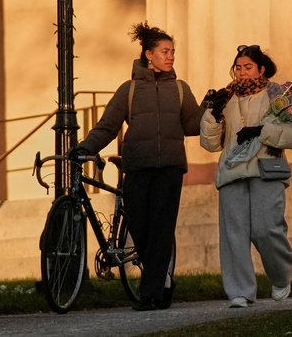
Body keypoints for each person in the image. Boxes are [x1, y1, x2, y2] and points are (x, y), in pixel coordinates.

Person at [70, 22, 203, 311]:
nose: (170, 57)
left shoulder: (180, 89)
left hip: (170, 167)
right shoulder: (128, 90)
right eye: (165, 51)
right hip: (138, 166)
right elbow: (107, 126)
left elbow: (192, 126)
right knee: (140, 228)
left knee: (161, 229)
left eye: (173, 52)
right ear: (148, 53)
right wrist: (86, 147)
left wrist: (208, 108)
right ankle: (162, 277)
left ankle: (151, 294)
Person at [199, 44, 292, 308]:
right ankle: (240, 291)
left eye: (248, 67)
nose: (242, 73)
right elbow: (211, 144)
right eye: (238, 68)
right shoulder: (226, 97)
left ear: (261, 69)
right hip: (232, 173)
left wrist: (262, 130)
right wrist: (212, 116)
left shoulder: (276, 95)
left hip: (266, 170)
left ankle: (281, 277)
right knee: (233, 234)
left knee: (267, 229)